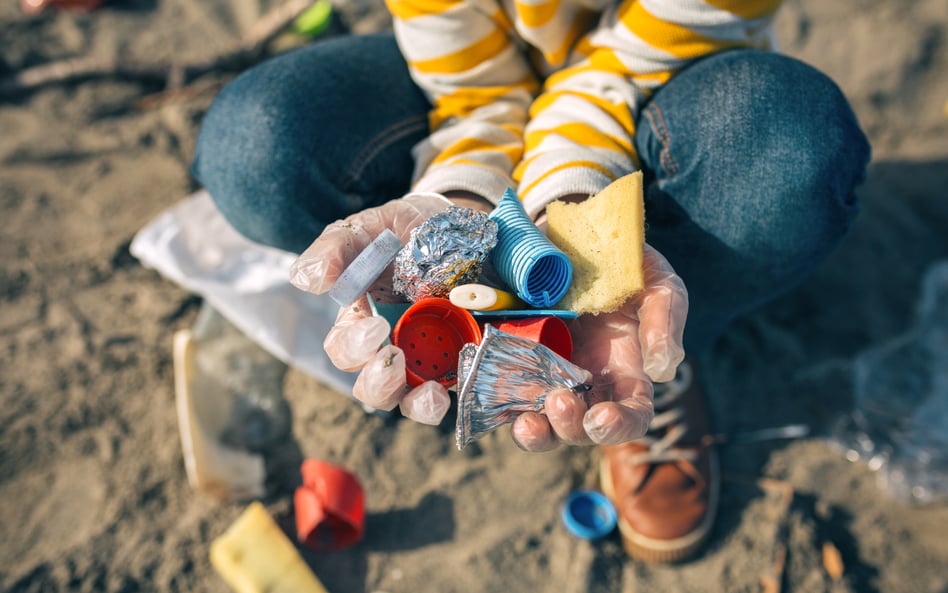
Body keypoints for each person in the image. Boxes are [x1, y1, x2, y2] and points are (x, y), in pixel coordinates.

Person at [190, 0, 870, 563]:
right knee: (254, 148)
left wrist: (573, 212)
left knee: (794, 152)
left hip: (671, 74)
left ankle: (666, 346)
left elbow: (620, 68)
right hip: (487, 77)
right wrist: (458, 196)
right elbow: (474, 92)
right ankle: (537, 317)